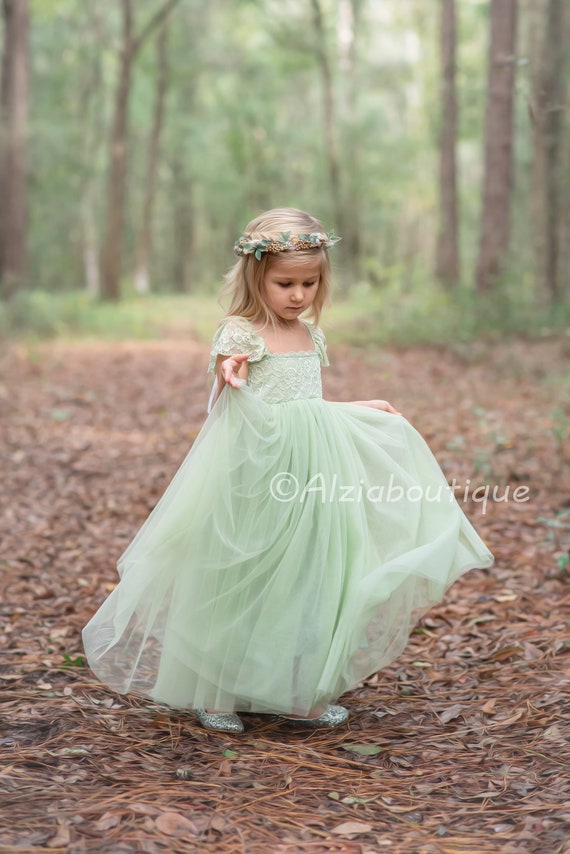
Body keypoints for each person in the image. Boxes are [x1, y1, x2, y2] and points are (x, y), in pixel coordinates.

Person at [82, 207, 493, 734]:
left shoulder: (310, 335)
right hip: (257, 474)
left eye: (309, 283)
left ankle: (296, 691)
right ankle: (219, 690)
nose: (297, 294)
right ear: (256, 277)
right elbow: (232, 381)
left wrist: (361, 406)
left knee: (309, 580)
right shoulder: (242, 333)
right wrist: (230, 368)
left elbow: (309, 404)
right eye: (285, 283)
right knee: (244, 577)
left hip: (313, 477)